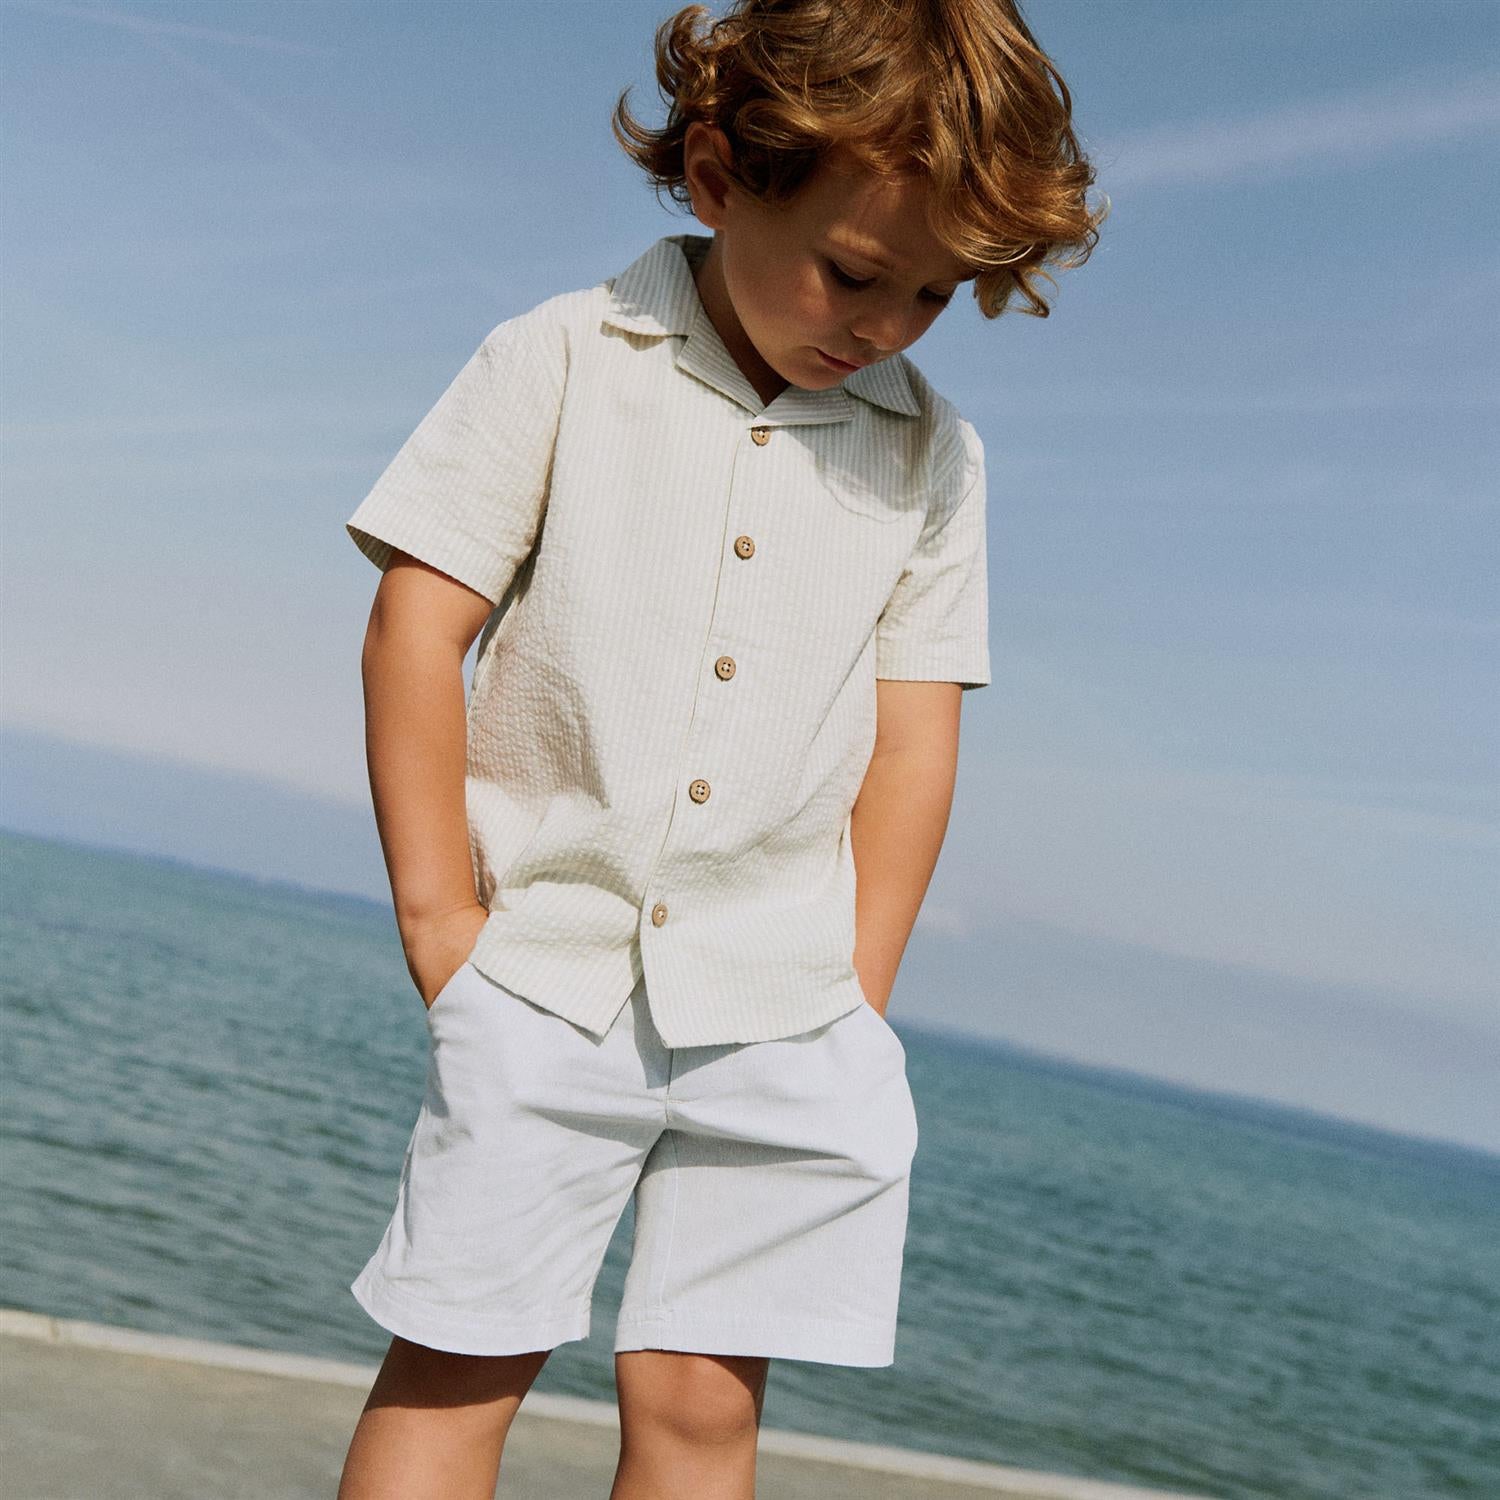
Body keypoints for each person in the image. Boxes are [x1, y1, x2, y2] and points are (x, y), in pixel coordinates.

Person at [335, 2, 1103, 1495]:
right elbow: (417, 627)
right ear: (716, 178)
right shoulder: (562, 356)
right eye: (857, 273)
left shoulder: (934, 457)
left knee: (703, 1407)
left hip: (788, 1010)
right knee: (459, 1367)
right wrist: (441, 923)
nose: (886, 325)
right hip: (545, 976)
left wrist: (856, 997)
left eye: (937, 295)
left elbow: (914, 745)